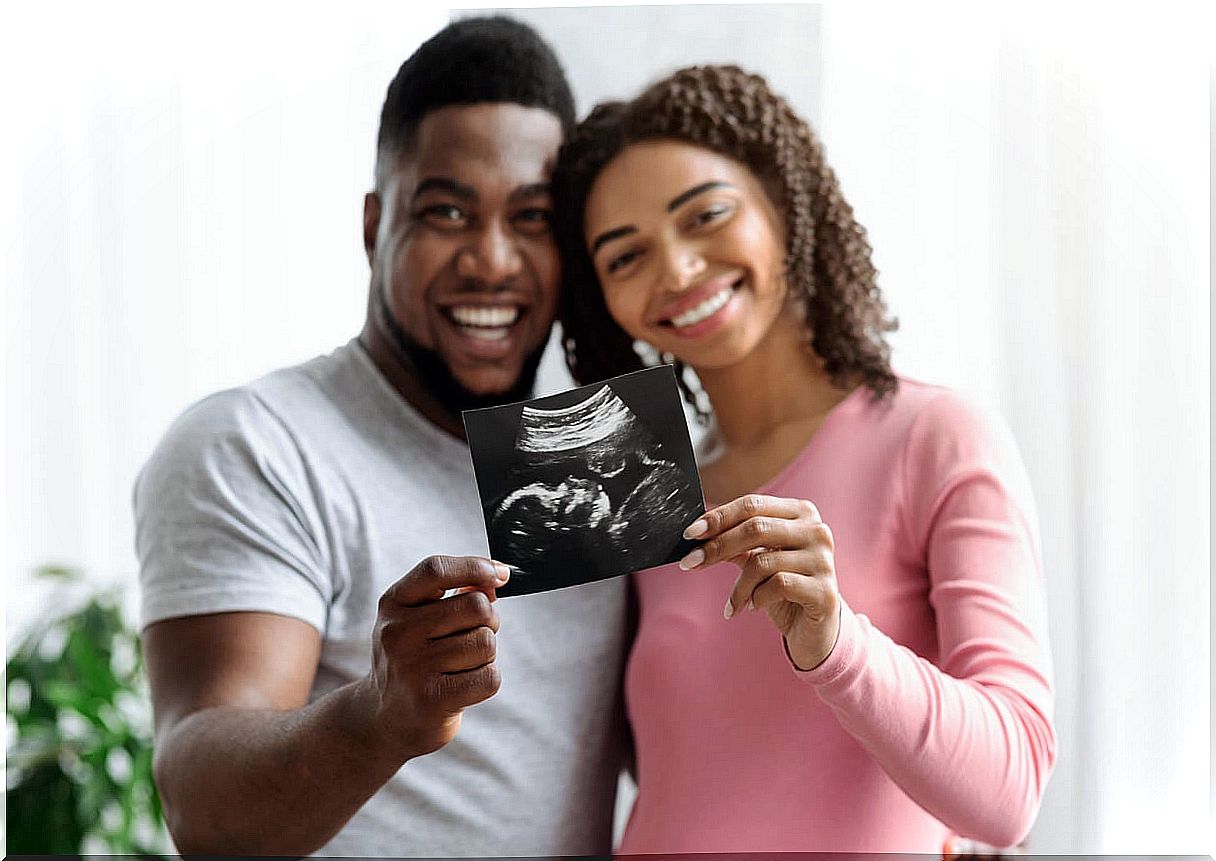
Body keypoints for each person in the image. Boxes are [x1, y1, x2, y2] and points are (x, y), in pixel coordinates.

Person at [133, 17, 632, 856]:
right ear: (375, 226)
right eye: (447, 211)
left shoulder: (591, 447)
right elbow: (203, 805)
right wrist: (380, 714)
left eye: (532, 217)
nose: (491, 259)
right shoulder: (259, 442)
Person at [552, 64, 1056, 854]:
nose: (678, 271)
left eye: (706, 214)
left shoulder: (938, 436)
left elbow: (1012, 789)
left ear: (783, 203)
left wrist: (834, 638)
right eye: (625, 257)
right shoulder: (635, 479)